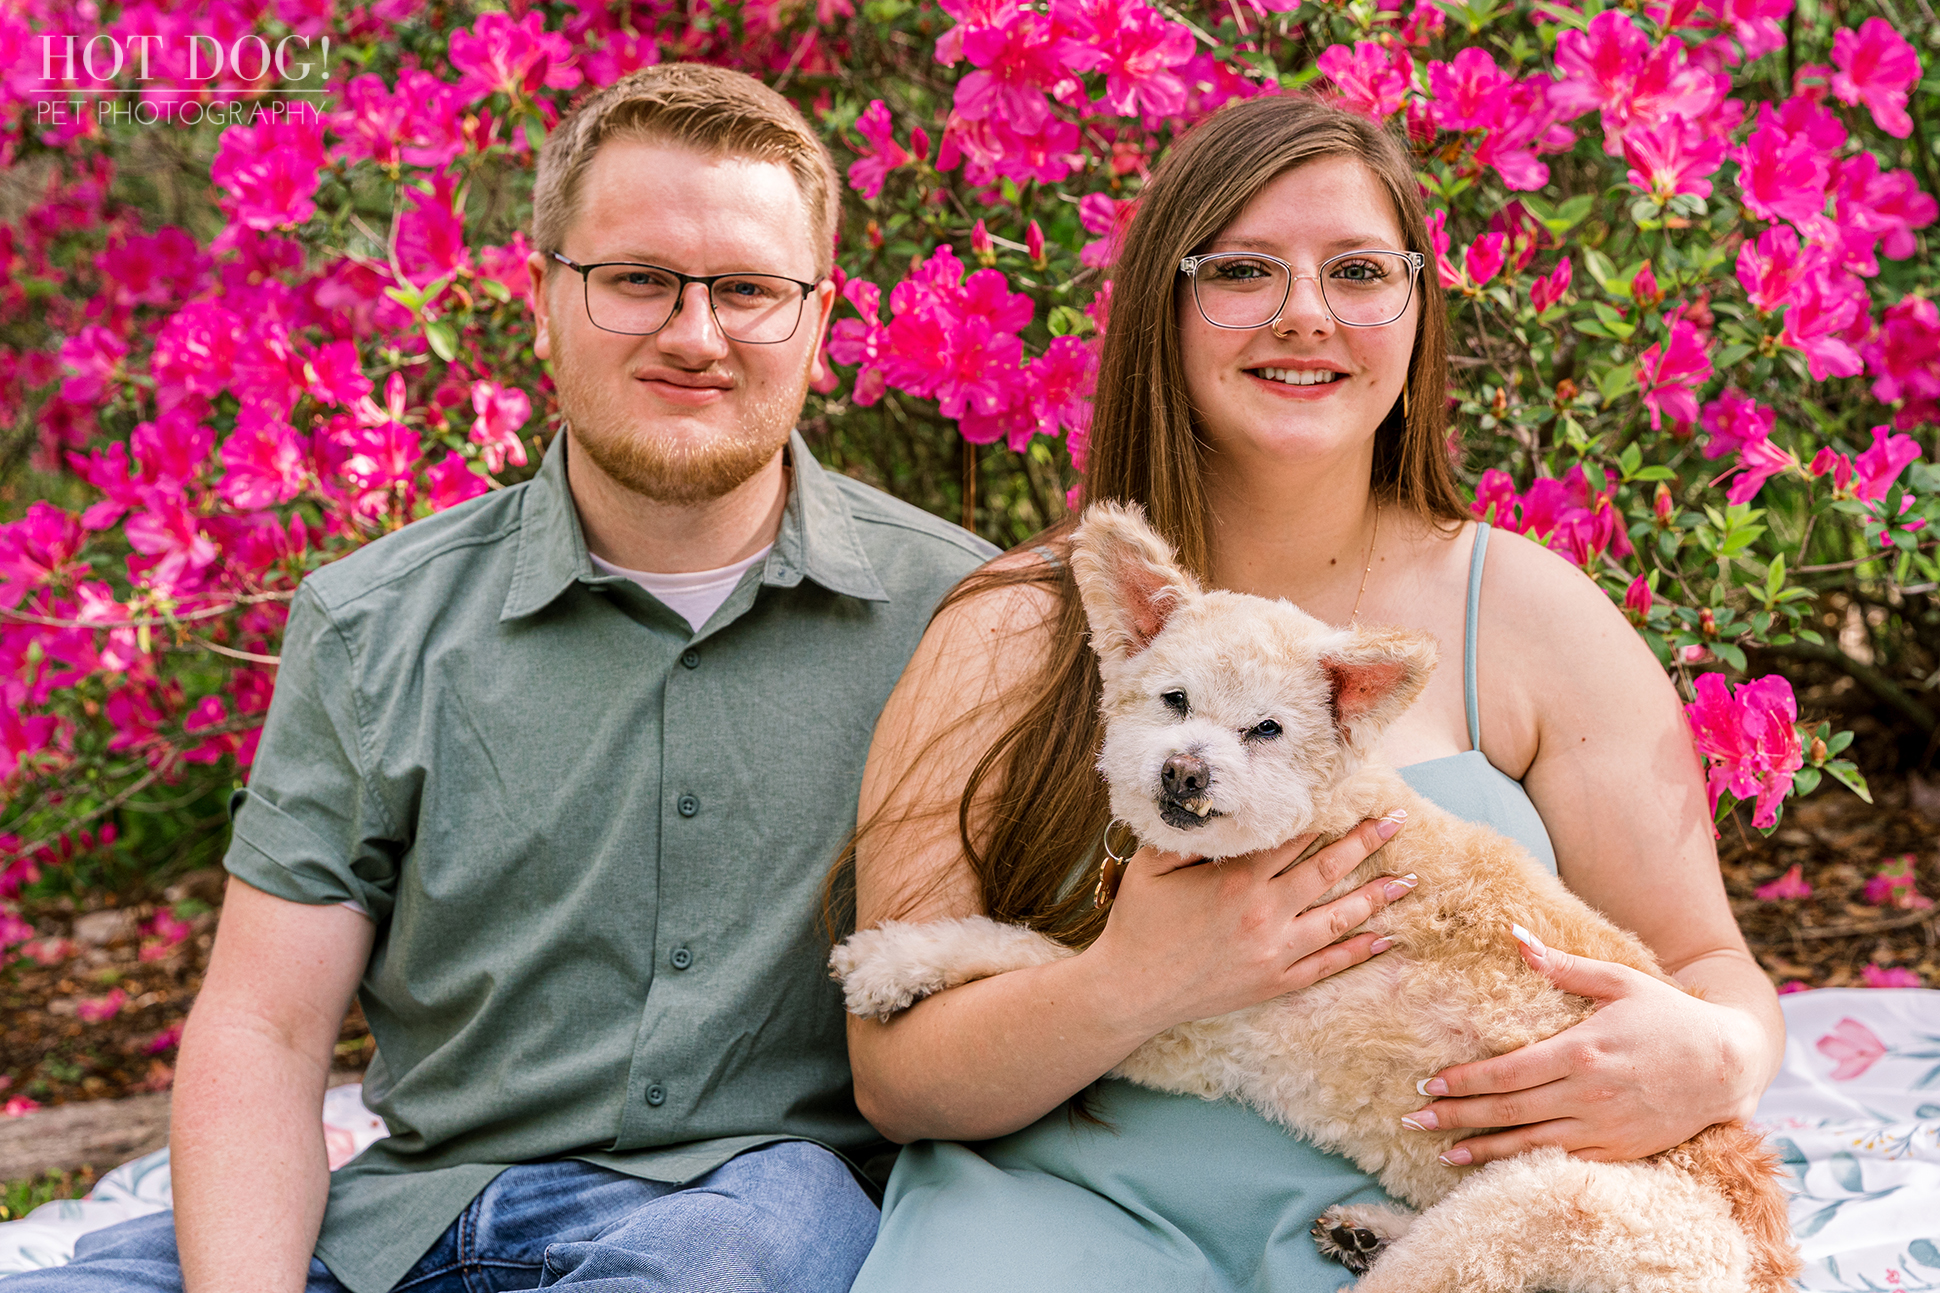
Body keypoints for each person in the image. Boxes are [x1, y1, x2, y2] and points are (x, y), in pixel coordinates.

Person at [9, 64, 993, 1293]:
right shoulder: (374, 625)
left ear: (817, 317)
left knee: (733, 1248)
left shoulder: (960, 617)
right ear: (541, 298)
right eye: (636, 280)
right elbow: (264, 1030)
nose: (695, 334)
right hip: (409, 1223)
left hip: (735, 1219)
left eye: (747, 289)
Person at [844, 95, 1785, 1291]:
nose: (1304, 315)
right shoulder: (1015, 626)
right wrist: (1136, 981)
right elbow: (896, 1079)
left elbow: (1709, 963)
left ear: (1414, 309)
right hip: (1058, 1225)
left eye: (1356, 270)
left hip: (1456, 1245)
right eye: (1241, 269)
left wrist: (1714, 1056)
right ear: (1163, 308)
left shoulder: (1530, 615)